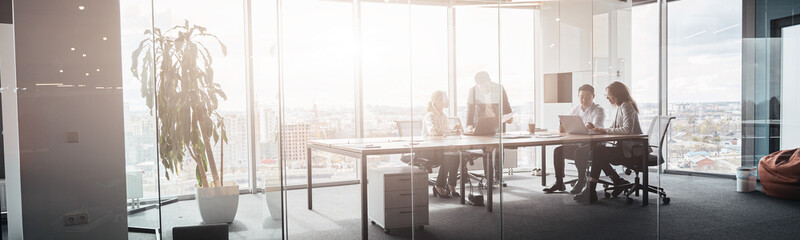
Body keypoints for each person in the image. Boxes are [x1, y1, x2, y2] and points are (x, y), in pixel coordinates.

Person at [543, 84, 627, 194]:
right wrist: (564, 129)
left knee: (580, 152)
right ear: (578, 96)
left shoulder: (598, 110)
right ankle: (559, 183)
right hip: (578, 143)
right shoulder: (575, 110)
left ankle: (581, 180)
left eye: (588, 96)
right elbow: (569, 128)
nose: (584, 99)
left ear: (593, 96)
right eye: (581, 96)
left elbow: (597, 129)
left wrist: (587, 129)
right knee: (558, 151)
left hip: (594, 145)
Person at [575, 81, 647, 204]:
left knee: (598, 153)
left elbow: (626, 129)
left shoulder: (626, 106)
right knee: (598, 153)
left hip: (632, 151)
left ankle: (592, 190)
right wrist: (596, 129)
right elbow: (613, 128)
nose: (607, 97)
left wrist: (602, 130)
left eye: (609, 95)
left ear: (617, 94)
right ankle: (616, 182)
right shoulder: (621, 107)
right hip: (625, 148)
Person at [465, 71, 513, 185]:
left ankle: (499, 177)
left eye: (485, 85)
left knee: (499, 149)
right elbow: (470, 109)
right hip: (482, 123)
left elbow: (506, 105)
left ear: (489, 81)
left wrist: (509, 116)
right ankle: (489, 178)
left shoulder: (499, 88)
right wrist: (469, 125)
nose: (483, 89)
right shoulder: (473, 90)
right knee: (487, 150)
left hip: (498, 122)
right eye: (480, 87)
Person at [421, 90, 462, 198]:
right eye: (443, 100)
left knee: (455, 154)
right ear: (437, 101)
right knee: (449, 156)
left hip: (440, 148)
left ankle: (451, 184)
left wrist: (453, 131)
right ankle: (439, 185)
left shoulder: (443, 115)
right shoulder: (430, 115)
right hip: (428, 149)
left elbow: (445, 131)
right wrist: (446, 132)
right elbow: (433, 132)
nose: (445, 102)